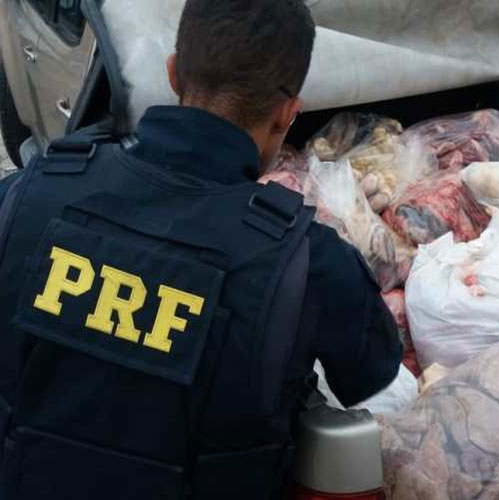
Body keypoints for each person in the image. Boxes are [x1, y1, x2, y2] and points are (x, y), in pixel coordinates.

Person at [0, 1, 402, 499]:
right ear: (288, 114)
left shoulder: (30, 192)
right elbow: (374, 370)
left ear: (172, 74)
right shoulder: (309, 262)